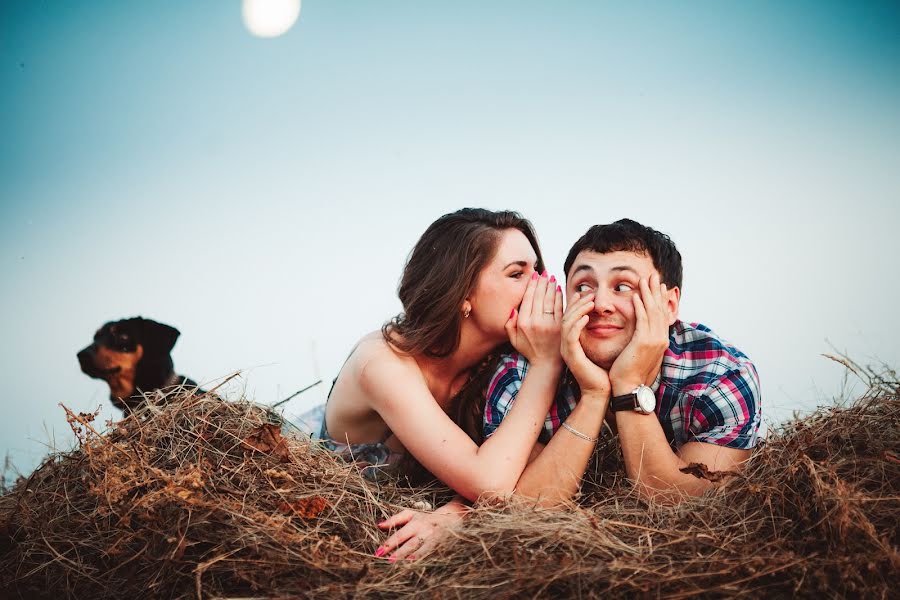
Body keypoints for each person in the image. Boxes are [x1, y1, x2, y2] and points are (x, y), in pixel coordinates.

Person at [378, 219, 761, 558]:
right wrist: (595, 395)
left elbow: (679, 504)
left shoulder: (719, 376)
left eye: (624, 286)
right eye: (584, 286)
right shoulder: (519, 373)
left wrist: (627, 386)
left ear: (669, 303)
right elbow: (527, 506)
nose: (600, 304)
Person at [308, 208, 564, 559]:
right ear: (462, 292)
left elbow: (526, 465)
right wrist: (545, 364)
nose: (538, 285)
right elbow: (490, 484)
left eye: (536, 270)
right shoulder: (382, 362)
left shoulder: (504, 361)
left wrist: (458, 512)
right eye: (517, 273)